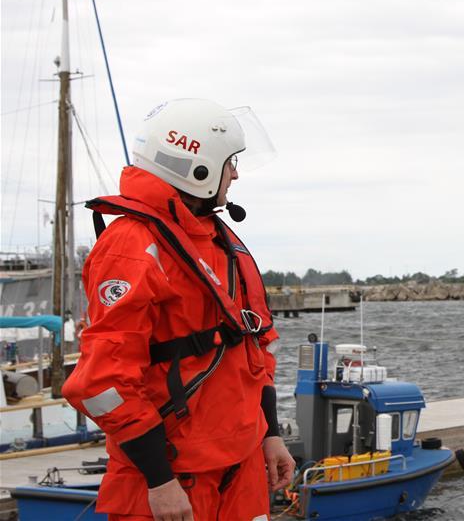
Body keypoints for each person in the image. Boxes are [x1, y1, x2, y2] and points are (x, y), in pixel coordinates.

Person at [63, 99, 295, 521]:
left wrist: (270, 436)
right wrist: (158, 480)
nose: (237, 174)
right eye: (231, 164)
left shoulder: (220, 241)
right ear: (199, 169)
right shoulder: (131, 247)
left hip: (240, 472)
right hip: (175, 484)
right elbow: (100, 383)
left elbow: (255, 351)